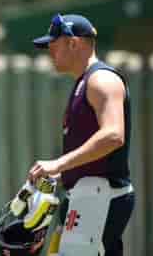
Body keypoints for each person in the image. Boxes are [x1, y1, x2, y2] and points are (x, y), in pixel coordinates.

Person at [28, 14, 135, 256]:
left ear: (73, 43)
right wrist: (61, 172)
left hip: (101, 195)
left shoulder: (101, 79)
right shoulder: (83, 82)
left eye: (53, 46)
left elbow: (113, 135)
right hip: (86, 197)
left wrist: (59, 163)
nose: (49, 53)